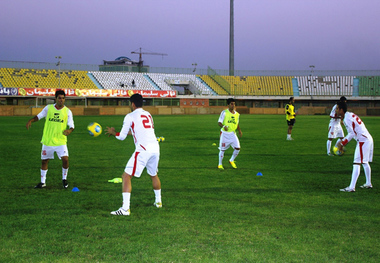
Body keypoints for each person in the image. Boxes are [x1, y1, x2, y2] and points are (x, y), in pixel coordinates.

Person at [105, 93, 162, 216]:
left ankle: (125, 209)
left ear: (132, 104)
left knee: (126, 176)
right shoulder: (148, 114)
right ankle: (158, 202)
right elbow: (140, 130)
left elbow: (121, 137)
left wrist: (113, 132)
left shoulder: (129, 116)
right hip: (155, 148)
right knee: (154, 174)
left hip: (143, 150)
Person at [26, 90, 75, 189]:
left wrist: (70, 131)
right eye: (59, 98)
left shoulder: (67, 111)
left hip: (60, 140)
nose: (61, 100)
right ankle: (42, 182)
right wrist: (31, 120)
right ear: (55, 99)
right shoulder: (48, 108)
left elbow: (71, 125)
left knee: (65, 159)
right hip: (48, 140)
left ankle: (64, 179)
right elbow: (38, 117)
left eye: (63, 98)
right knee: (44, 161)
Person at [336, 101, 374, 192]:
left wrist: (342, 143)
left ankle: (351, 187)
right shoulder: (349, 114)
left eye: (337, 108)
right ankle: (368, 183)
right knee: (365, 162)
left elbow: (352, 133)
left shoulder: (347, 119)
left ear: (341, 110)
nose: (336, 110)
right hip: (367, 138)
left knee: (356, 163)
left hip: (363, 140)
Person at [217, 98, 242, 170]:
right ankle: (220, 164)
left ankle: (231, 160)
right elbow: (219, 122)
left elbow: (237, 123)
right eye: (231, 104)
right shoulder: (224, 112)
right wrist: (223, 126)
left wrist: (239, 130)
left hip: (233, 134)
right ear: (228, 105)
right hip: (224, 134)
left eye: (234, 104)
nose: (233, 105)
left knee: (238, 148)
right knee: (222, 150)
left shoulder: (237, 114)